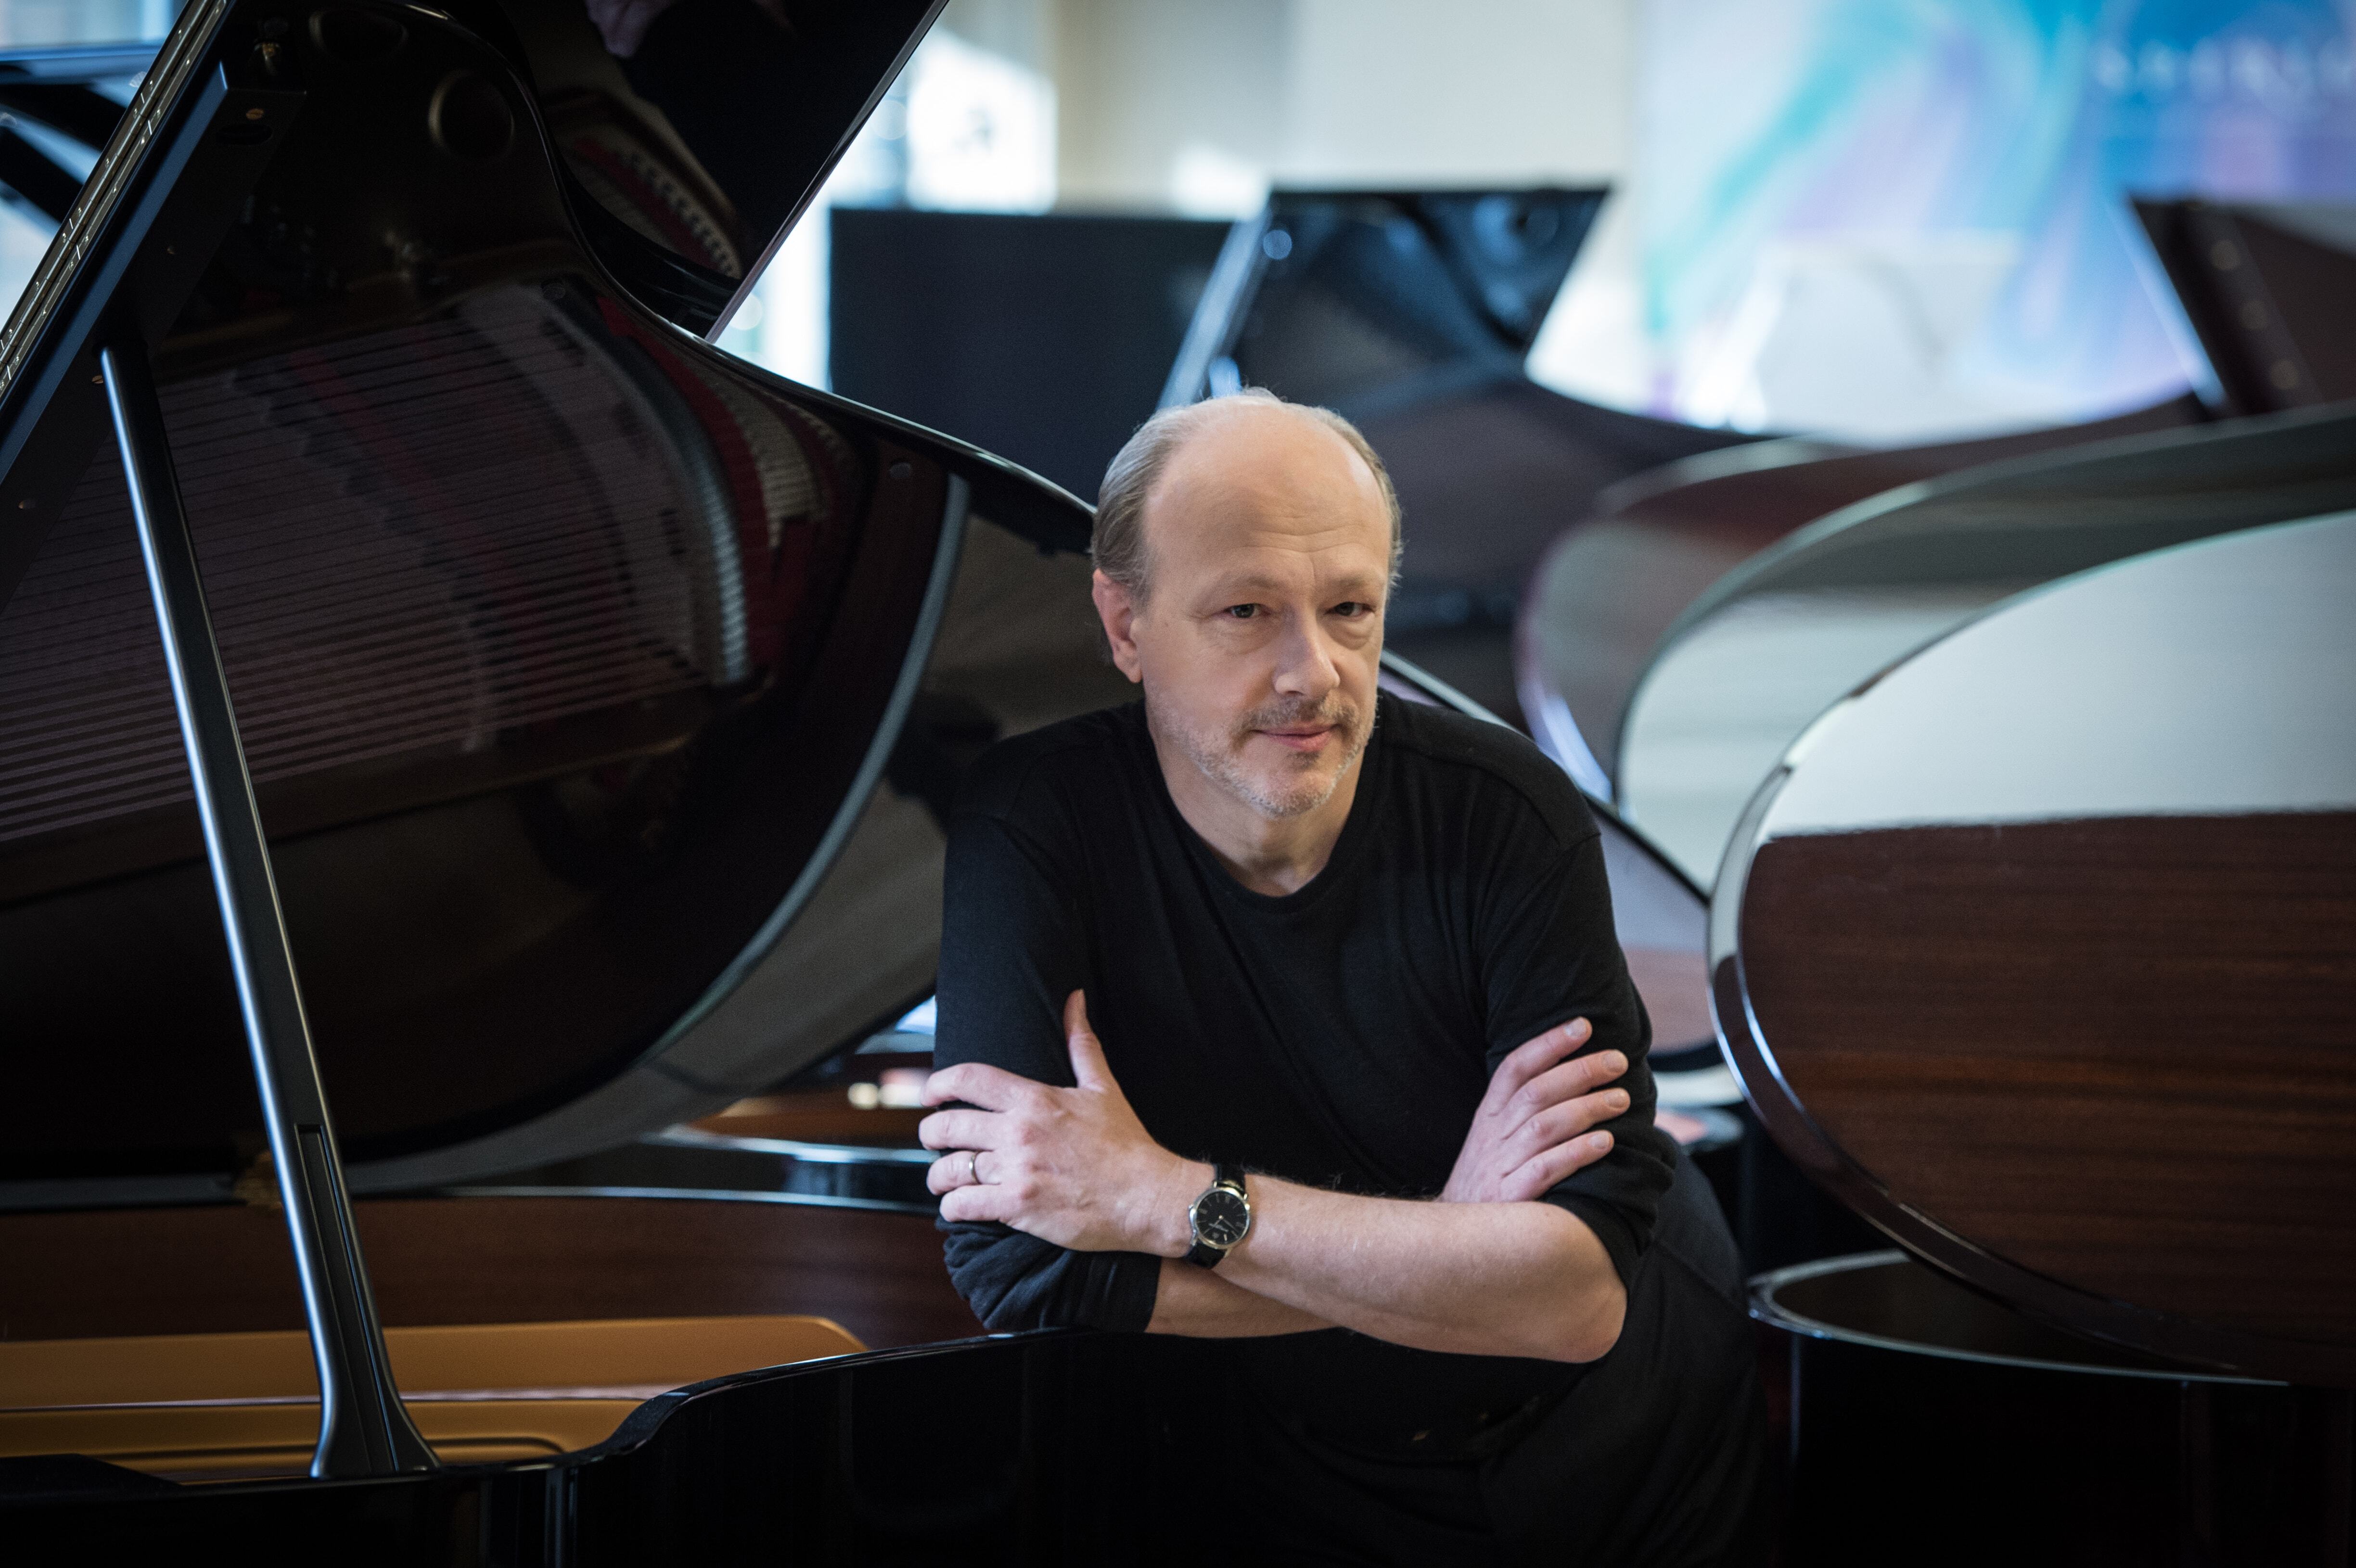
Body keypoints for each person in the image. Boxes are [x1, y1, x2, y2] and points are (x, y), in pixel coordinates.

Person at [922, 389, 1767, 1565]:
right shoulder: (1033, 829)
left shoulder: (1510, 816)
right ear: (1125, 623)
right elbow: (1021, 1275)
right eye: (1246, 610)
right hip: (1293, 1466)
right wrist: (1457, 1244)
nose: (1310, 671)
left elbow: (1575, 1302)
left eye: (1350, 608)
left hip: (1633, 1443)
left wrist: (1168, 1200)